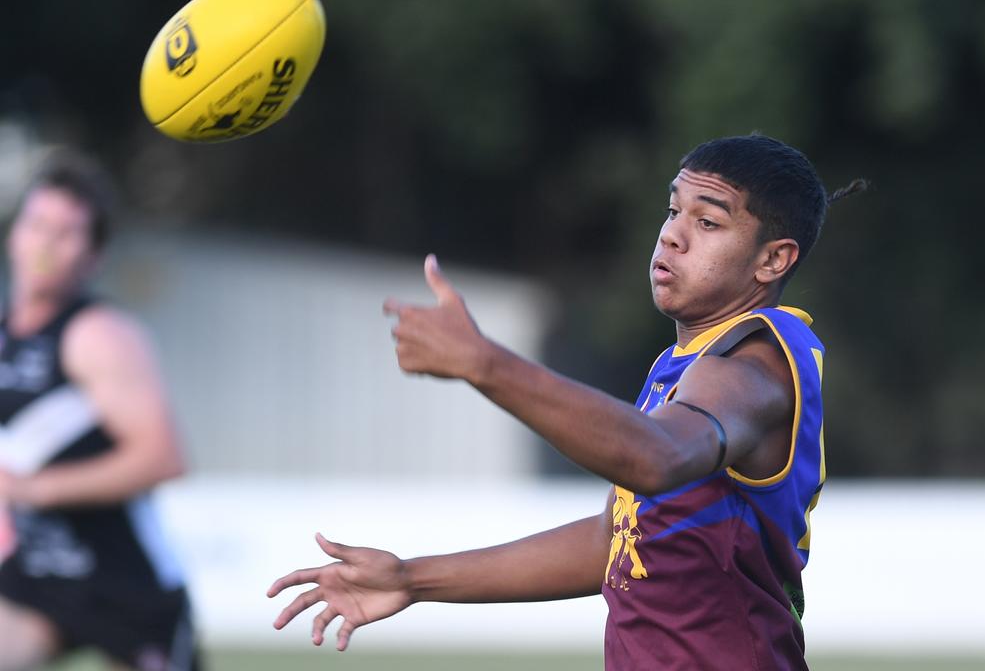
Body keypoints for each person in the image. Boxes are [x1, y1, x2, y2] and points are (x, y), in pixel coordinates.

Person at [268, 134, 858, 669]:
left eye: (708, 223)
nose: (672, 234)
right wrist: (412, 578)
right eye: (673, 210)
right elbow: (617, 541)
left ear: (773, 259)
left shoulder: (755, 364)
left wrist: (485, 363)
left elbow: (657, 458)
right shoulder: (681, 368)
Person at [0, 153, 198, 671]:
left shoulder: (99, 335)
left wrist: (32, 490)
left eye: (66, 234)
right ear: (13, 235)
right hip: (32, 578)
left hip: (122, 582)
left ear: (93, 257)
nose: (45, 242)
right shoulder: (4, 338)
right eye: (37, 224)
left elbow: (163, 458)